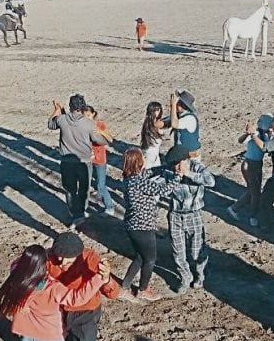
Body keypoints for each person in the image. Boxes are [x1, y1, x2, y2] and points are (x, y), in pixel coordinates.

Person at [0, 245, 111, 341]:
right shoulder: (52, 288)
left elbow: (17, 263)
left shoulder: (17, 277)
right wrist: (100, 278)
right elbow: (77, 298)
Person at [45, 232, 121, 341]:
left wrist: (107, 278)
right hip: (61, 312)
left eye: (69, 260)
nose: (63, 263)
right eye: (60, 257)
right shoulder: (49, 258)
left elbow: (113, 292)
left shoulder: (91, 259)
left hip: (86, 313)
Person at [121, 148, 182, 301]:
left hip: (132, 225)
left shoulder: (130, 178)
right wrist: (178, 176)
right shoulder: (140, 182)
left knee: (140, 257)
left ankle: (125, 286)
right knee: (150, 259)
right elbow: (164, 190)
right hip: (143, 227)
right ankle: (142, 289)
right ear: (139, 162)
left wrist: (166, 167)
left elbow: (149, 172)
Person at [47, 94, 109, 228]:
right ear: (82, 107)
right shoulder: (89, 123)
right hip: (84, 162)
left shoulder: (62, 119)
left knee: (70, 189)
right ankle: (81, 212)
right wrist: (107, 139)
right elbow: (98, 140)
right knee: (84, 189)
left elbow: (51, 124)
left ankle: (74, 213)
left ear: (70, 106)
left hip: (66, 162)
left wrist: (57, 109)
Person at [164, 145, 215, 293]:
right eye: (174, 164)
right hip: (175, 215)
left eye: (180, 163)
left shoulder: (198, 168)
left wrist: (189, 174)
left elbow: (211, 181)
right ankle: (185, 278)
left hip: (194, 215)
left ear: (187, 160)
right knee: (178, 251)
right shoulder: (168, 169)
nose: (177, 167)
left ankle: (200, 274)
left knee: (196, 251)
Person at [227, 113, 273, 227]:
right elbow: (241, 140)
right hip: (250, 164)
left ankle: (237, 208)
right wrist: (248, 133)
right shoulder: (257, 133)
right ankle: (248, 214)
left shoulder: (265, 135)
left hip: (257, 164)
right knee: (255, 193)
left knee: (253, 190)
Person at [82, 105, 115, 215]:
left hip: (100, 159)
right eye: (84, 115)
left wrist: (100, 131)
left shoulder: (99, 124)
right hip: (87, 159)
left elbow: (110, 139)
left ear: (93, 114)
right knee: (85, 184)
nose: (86, 118)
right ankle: (83, 208)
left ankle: (109, 206)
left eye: (88, 115)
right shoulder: (82, 126)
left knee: (101, 185)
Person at [167, 90, 201, 159]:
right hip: (182, 154)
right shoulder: (180, 116)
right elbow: (167, 121)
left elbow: (174, 124)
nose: (176, 104)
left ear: (183, 105)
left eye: (178, 103)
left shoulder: (189, 118)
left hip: (191, 155)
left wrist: (173, 105)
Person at [140, 101, 166, 169]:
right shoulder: (156, 124)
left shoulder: (147, 123)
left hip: (147, 151)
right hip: (152, 153)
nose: (159, 111)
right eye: (157, 110)